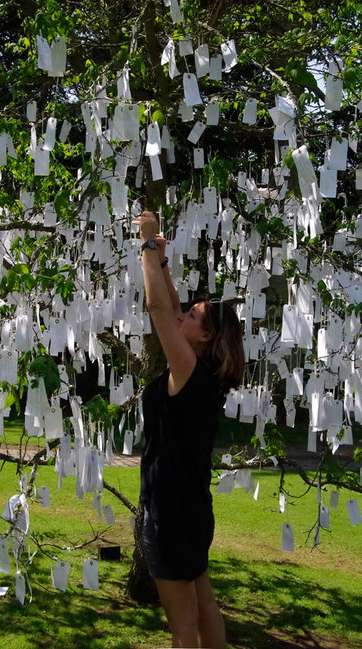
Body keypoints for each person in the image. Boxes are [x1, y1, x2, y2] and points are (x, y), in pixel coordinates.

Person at [133, 211, 245, 649]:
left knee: (183, 627)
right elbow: (173, 307)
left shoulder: (188, 371)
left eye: (195, 316)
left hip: (172, 515)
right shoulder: (201, 378)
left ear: (205, 336)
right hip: (193, 508)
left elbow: (159, 308)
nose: (184, 315)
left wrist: (145, 243)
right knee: (203, 605)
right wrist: (160, 261)